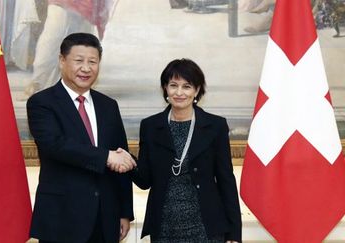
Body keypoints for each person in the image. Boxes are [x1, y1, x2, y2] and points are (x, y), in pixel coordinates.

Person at [27, 32, 136, 243]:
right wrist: (105, 156)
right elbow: (54, 145)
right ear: (62, 60)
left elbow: (120, 153)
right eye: (79, 61)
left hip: (105, 217)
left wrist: (124, 212)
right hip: (61, 216)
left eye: (92, 62)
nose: (86, 68)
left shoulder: (108, 105)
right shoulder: (42, 102)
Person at [131, 59, 242, 243]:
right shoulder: (151, 126)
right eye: (173, 85)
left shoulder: (215, 126)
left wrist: (234, 233)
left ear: (197, 90)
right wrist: (128, 162)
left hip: (207, 227)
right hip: (165, 226)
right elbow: (145, 180)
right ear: (165, 88)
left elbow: (226, 180)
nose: (179, 92)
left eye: (187, 86)